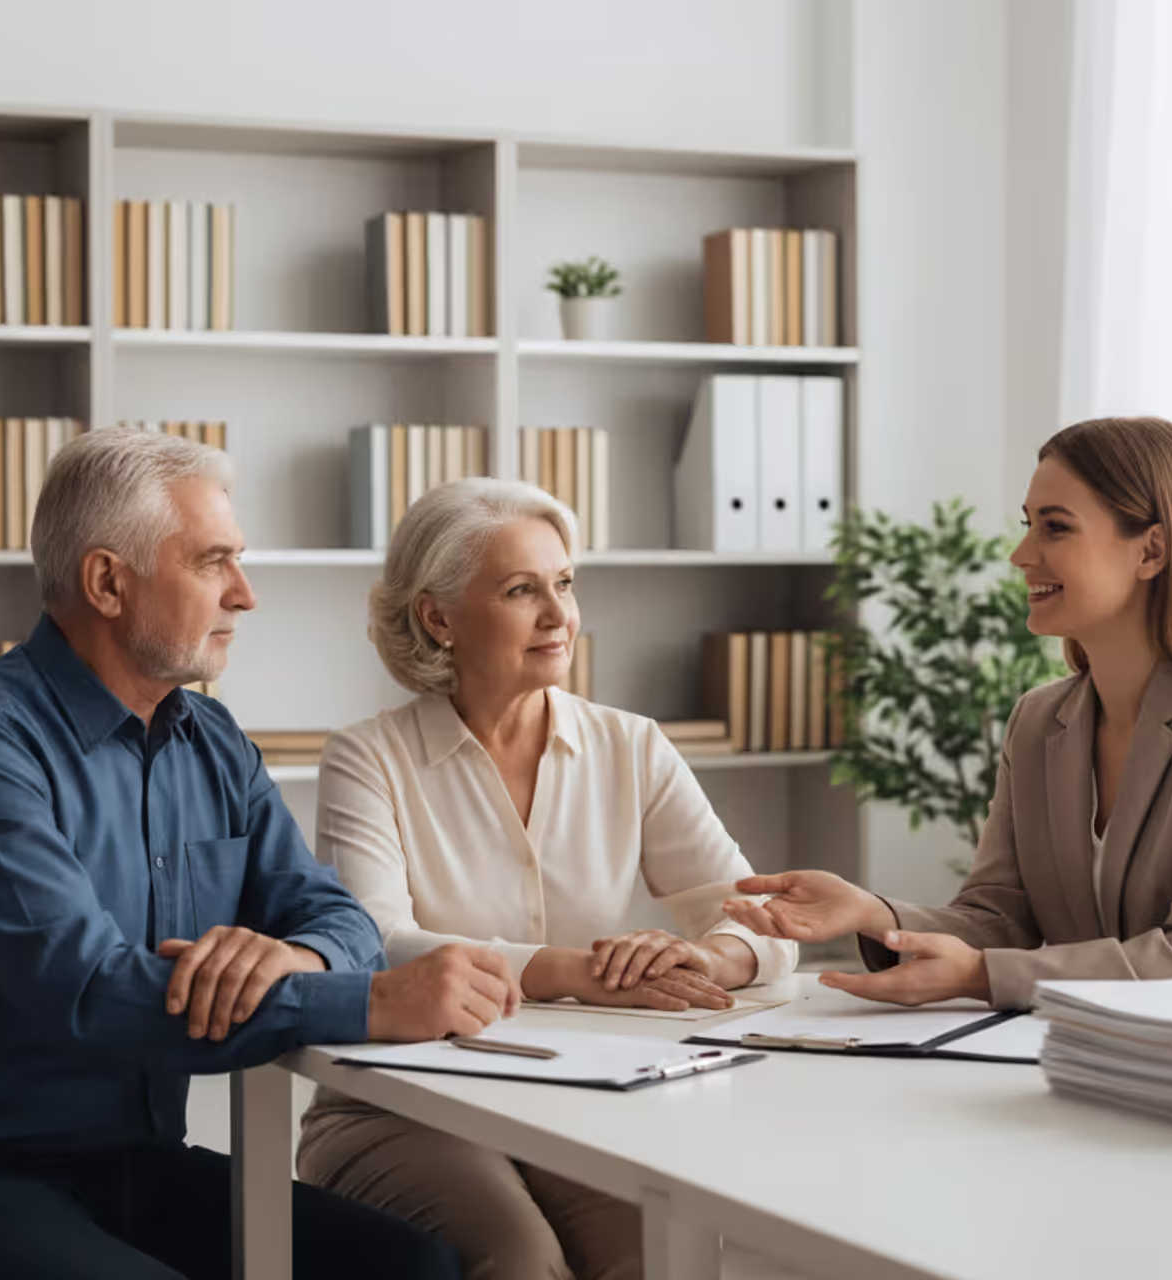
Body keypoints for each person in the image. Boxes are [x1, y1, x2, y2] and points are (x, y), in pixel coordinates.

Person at [0, 428, 511, 1280]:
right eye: (211, 562)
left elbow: (335, 915)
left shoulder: (211, 739)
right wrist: (370, 1004)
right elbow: (94, 991)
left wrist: (292, 955)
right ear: (108, 581)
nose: (245, 595)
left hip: (135, 1165)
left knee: (411, 1269)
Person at [298, 477, 797, 1280]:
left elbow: (762, 920)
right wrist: (581, 974)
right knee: (521, 1261)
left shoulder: (630, 746)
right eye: (521, 590)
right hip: (395, 1105)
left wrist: (705, 958)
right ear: (438, 617)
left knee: (656, 1255)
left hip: (581, 1100)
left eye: (563, 584)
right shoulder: (367, 757)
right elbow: (375, 943)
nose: (560, 615)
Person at [725, 416, 1172, 1010]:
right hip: (1092, 1058)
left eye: (1056, 528)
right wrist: (872, 913)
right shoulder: (1040, 720)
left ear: (1152, 550)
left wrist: (981, 976)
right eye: (1029, 526)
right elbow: (1000, 917)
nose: (1020, 554)